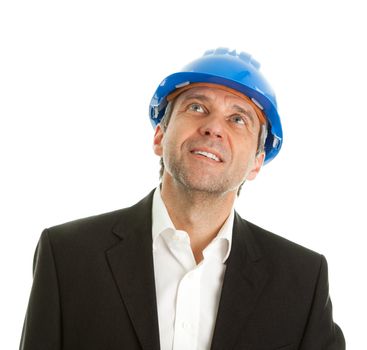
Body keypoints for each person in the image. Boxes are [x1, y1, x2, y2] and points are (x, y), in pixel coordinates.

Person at [20, 48, 345, 350]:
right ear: (160, 136)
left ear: (257, 162)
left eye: (238, 119)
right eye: (197, 107)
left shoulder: (302, 281)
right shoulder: (67, 255)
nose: (213, 128)